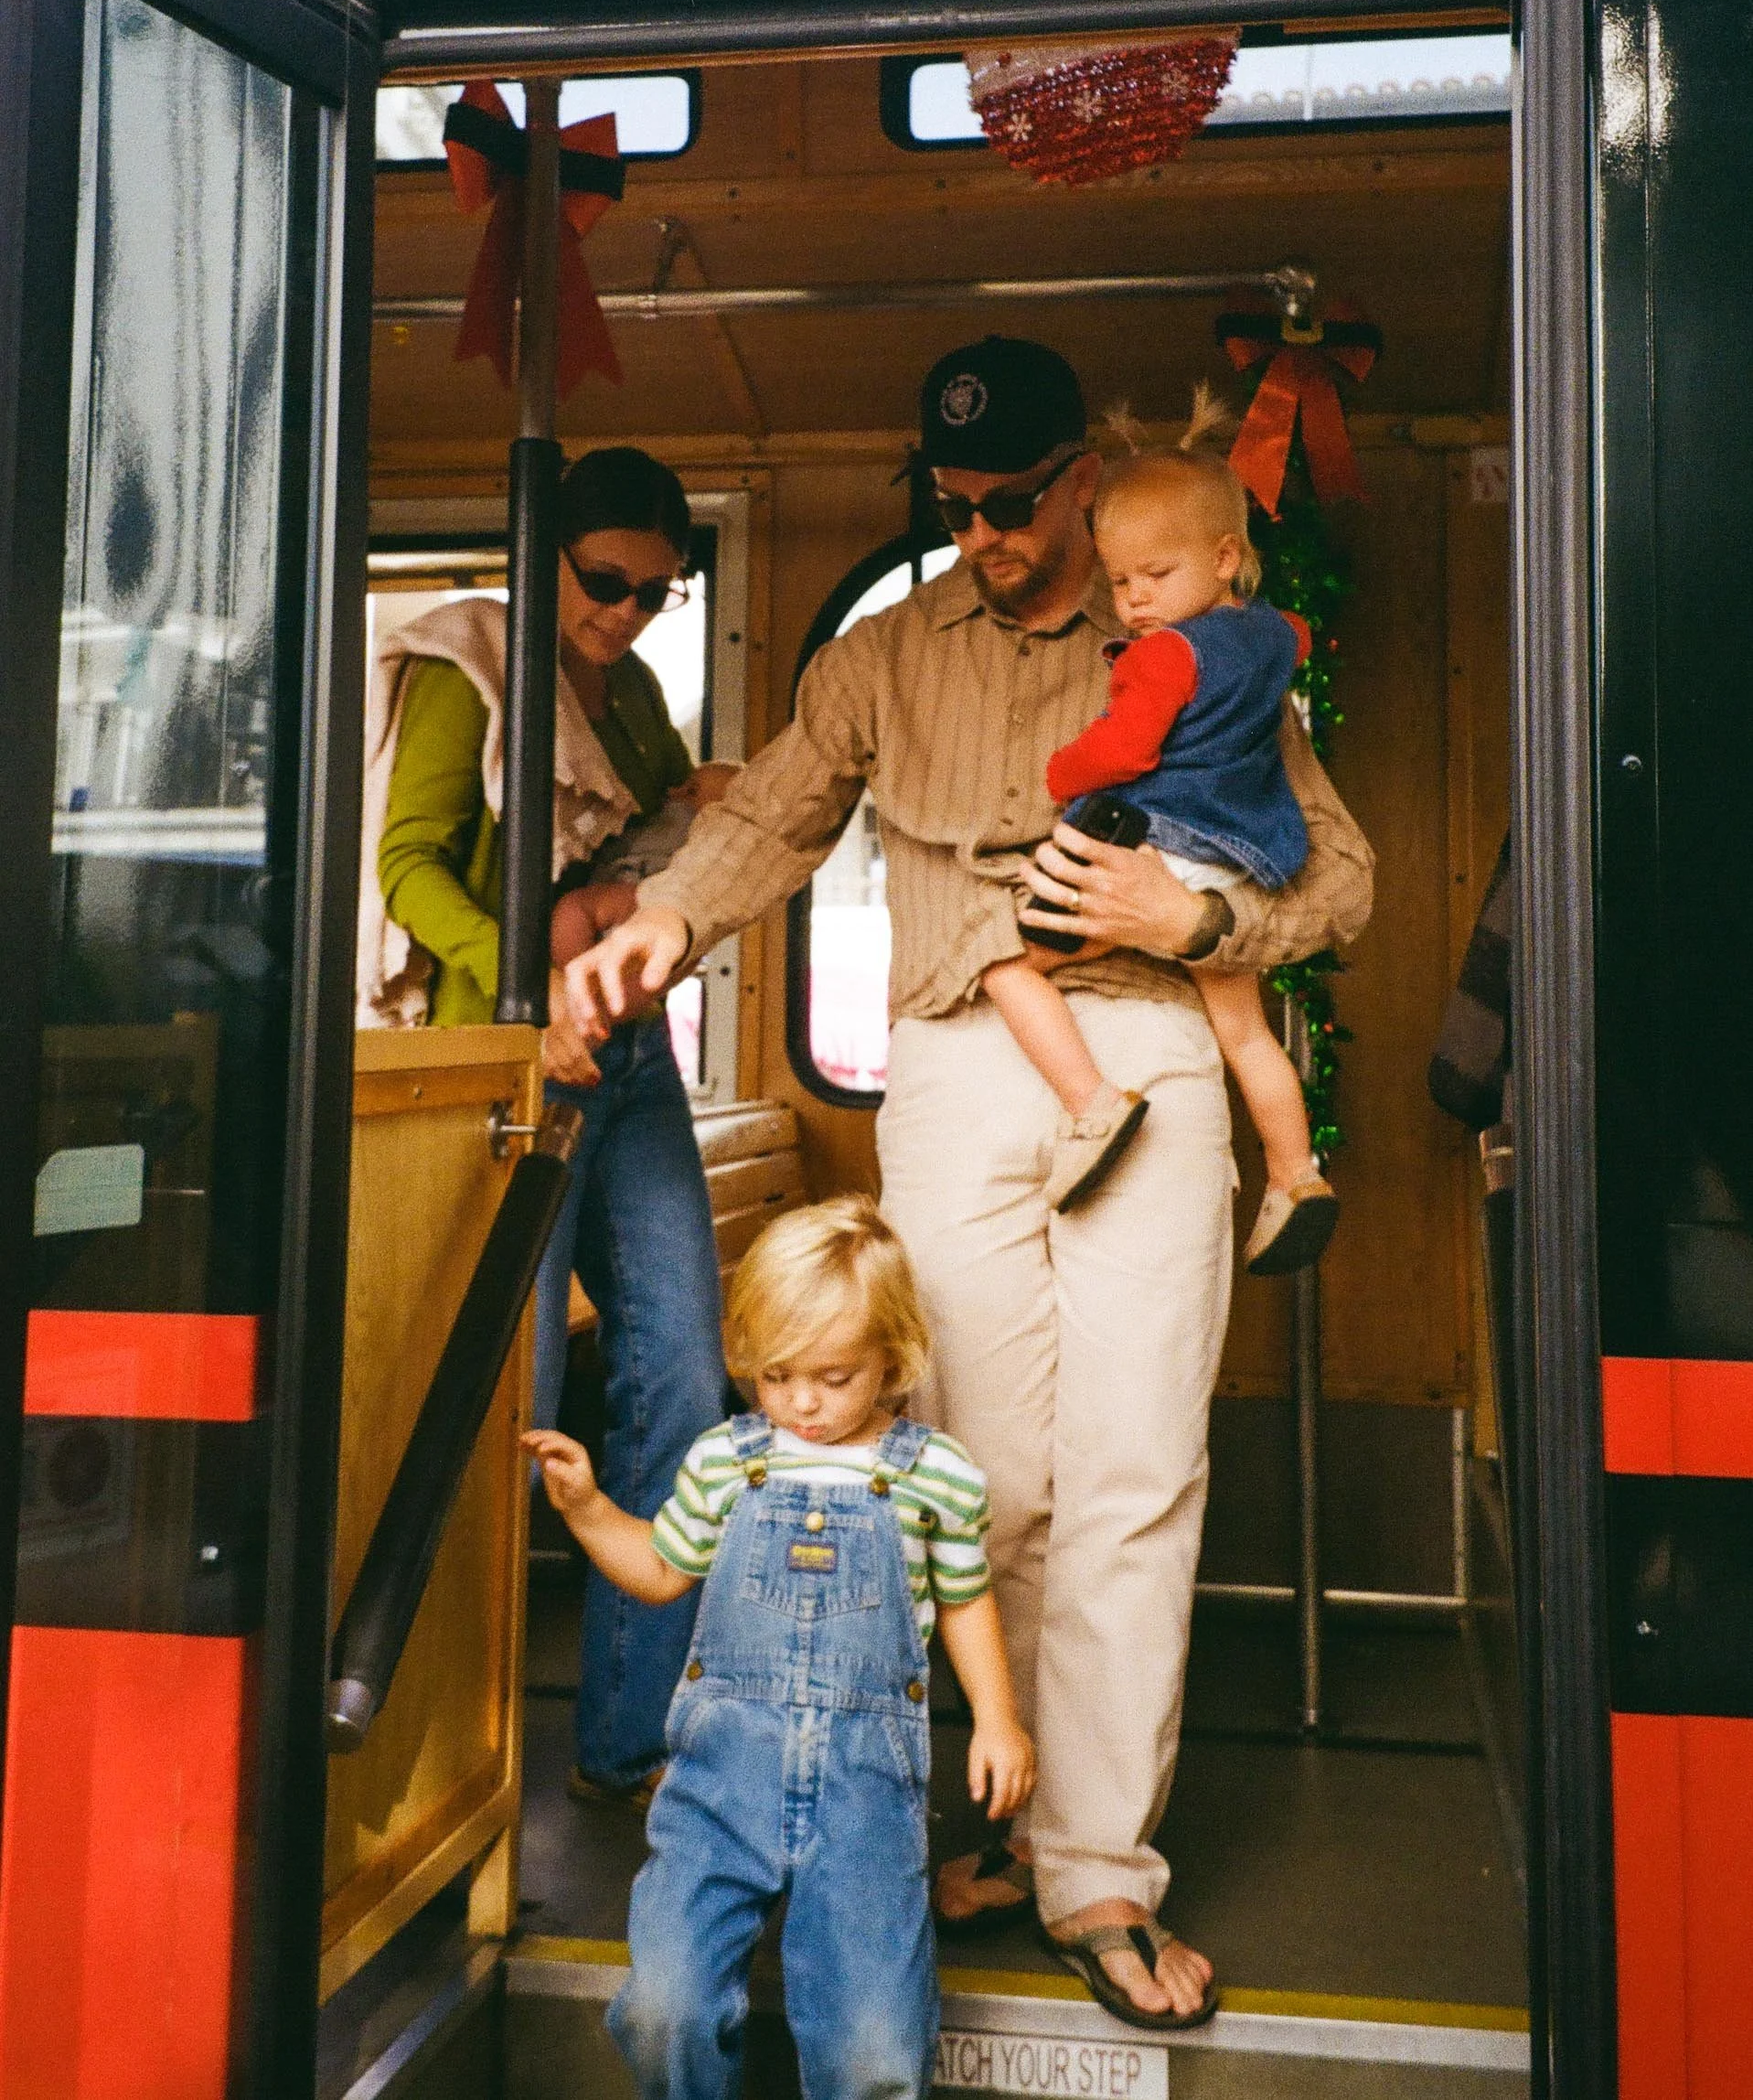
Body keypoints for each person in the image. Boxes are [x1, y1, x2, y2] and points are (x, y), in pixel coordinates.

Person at [566, 337, 1374, 2025]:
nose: (991, 535)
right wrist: (660, 926)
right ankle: (999, 1819)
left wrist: (1202, 921)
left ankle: (1096, 1874)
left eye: (1016, 502)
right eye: (956, 508)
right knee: (975, 1478)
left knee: (1136, 1472)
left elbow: (1344, 877)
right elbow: (775, 812)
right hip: (949, 1064)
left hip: (1146, 1050)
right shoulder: (881, 653)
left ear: (1081, 474)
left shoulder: (1189, 643)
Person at [358, 444, 733, 1805]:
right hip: (510, 1065)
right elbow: (407, 867)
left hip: (628, 1064)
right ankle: (449, 1764)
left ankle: (629, 1742)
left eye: (655, 591)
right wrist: (522, 987)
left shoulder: (629, 695)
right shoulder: (479, 672)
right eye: (605, 580)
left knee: (685, 1380)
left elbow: (655, 839)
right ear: (549, 555)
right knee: (518, 1397)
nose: (625, 612)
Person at [524, 1196, 1035, 2100]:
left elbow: (964, 1599)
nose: (801, 1400)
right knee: (664, 2006)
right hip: (722, 1776)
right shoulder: (728, 1460)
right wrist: (589, 1508)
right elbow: (660, 1568)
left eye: (834, 1376)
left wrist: (998, 1719)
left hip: (867, 1788)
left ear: (892, 1355)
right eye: (777, 1373)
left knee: (875, 2049)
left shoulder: (937, 1476)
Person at [980, 391, 1342, 1272]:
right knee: (1246, 1032)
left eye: (1156, 575)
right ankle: (1296, 1176)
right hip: (1240, 861)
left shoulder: (1162, 653)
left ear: (1225, 558)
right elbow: (1288, 648)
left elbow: (1127, 745)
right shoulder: (1273, 635)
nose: (1136, 600)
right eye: (1121, 581)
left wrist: (1063, 771)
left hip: (1158, 845)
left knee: (1006, 968)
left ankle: (1093, 1102)